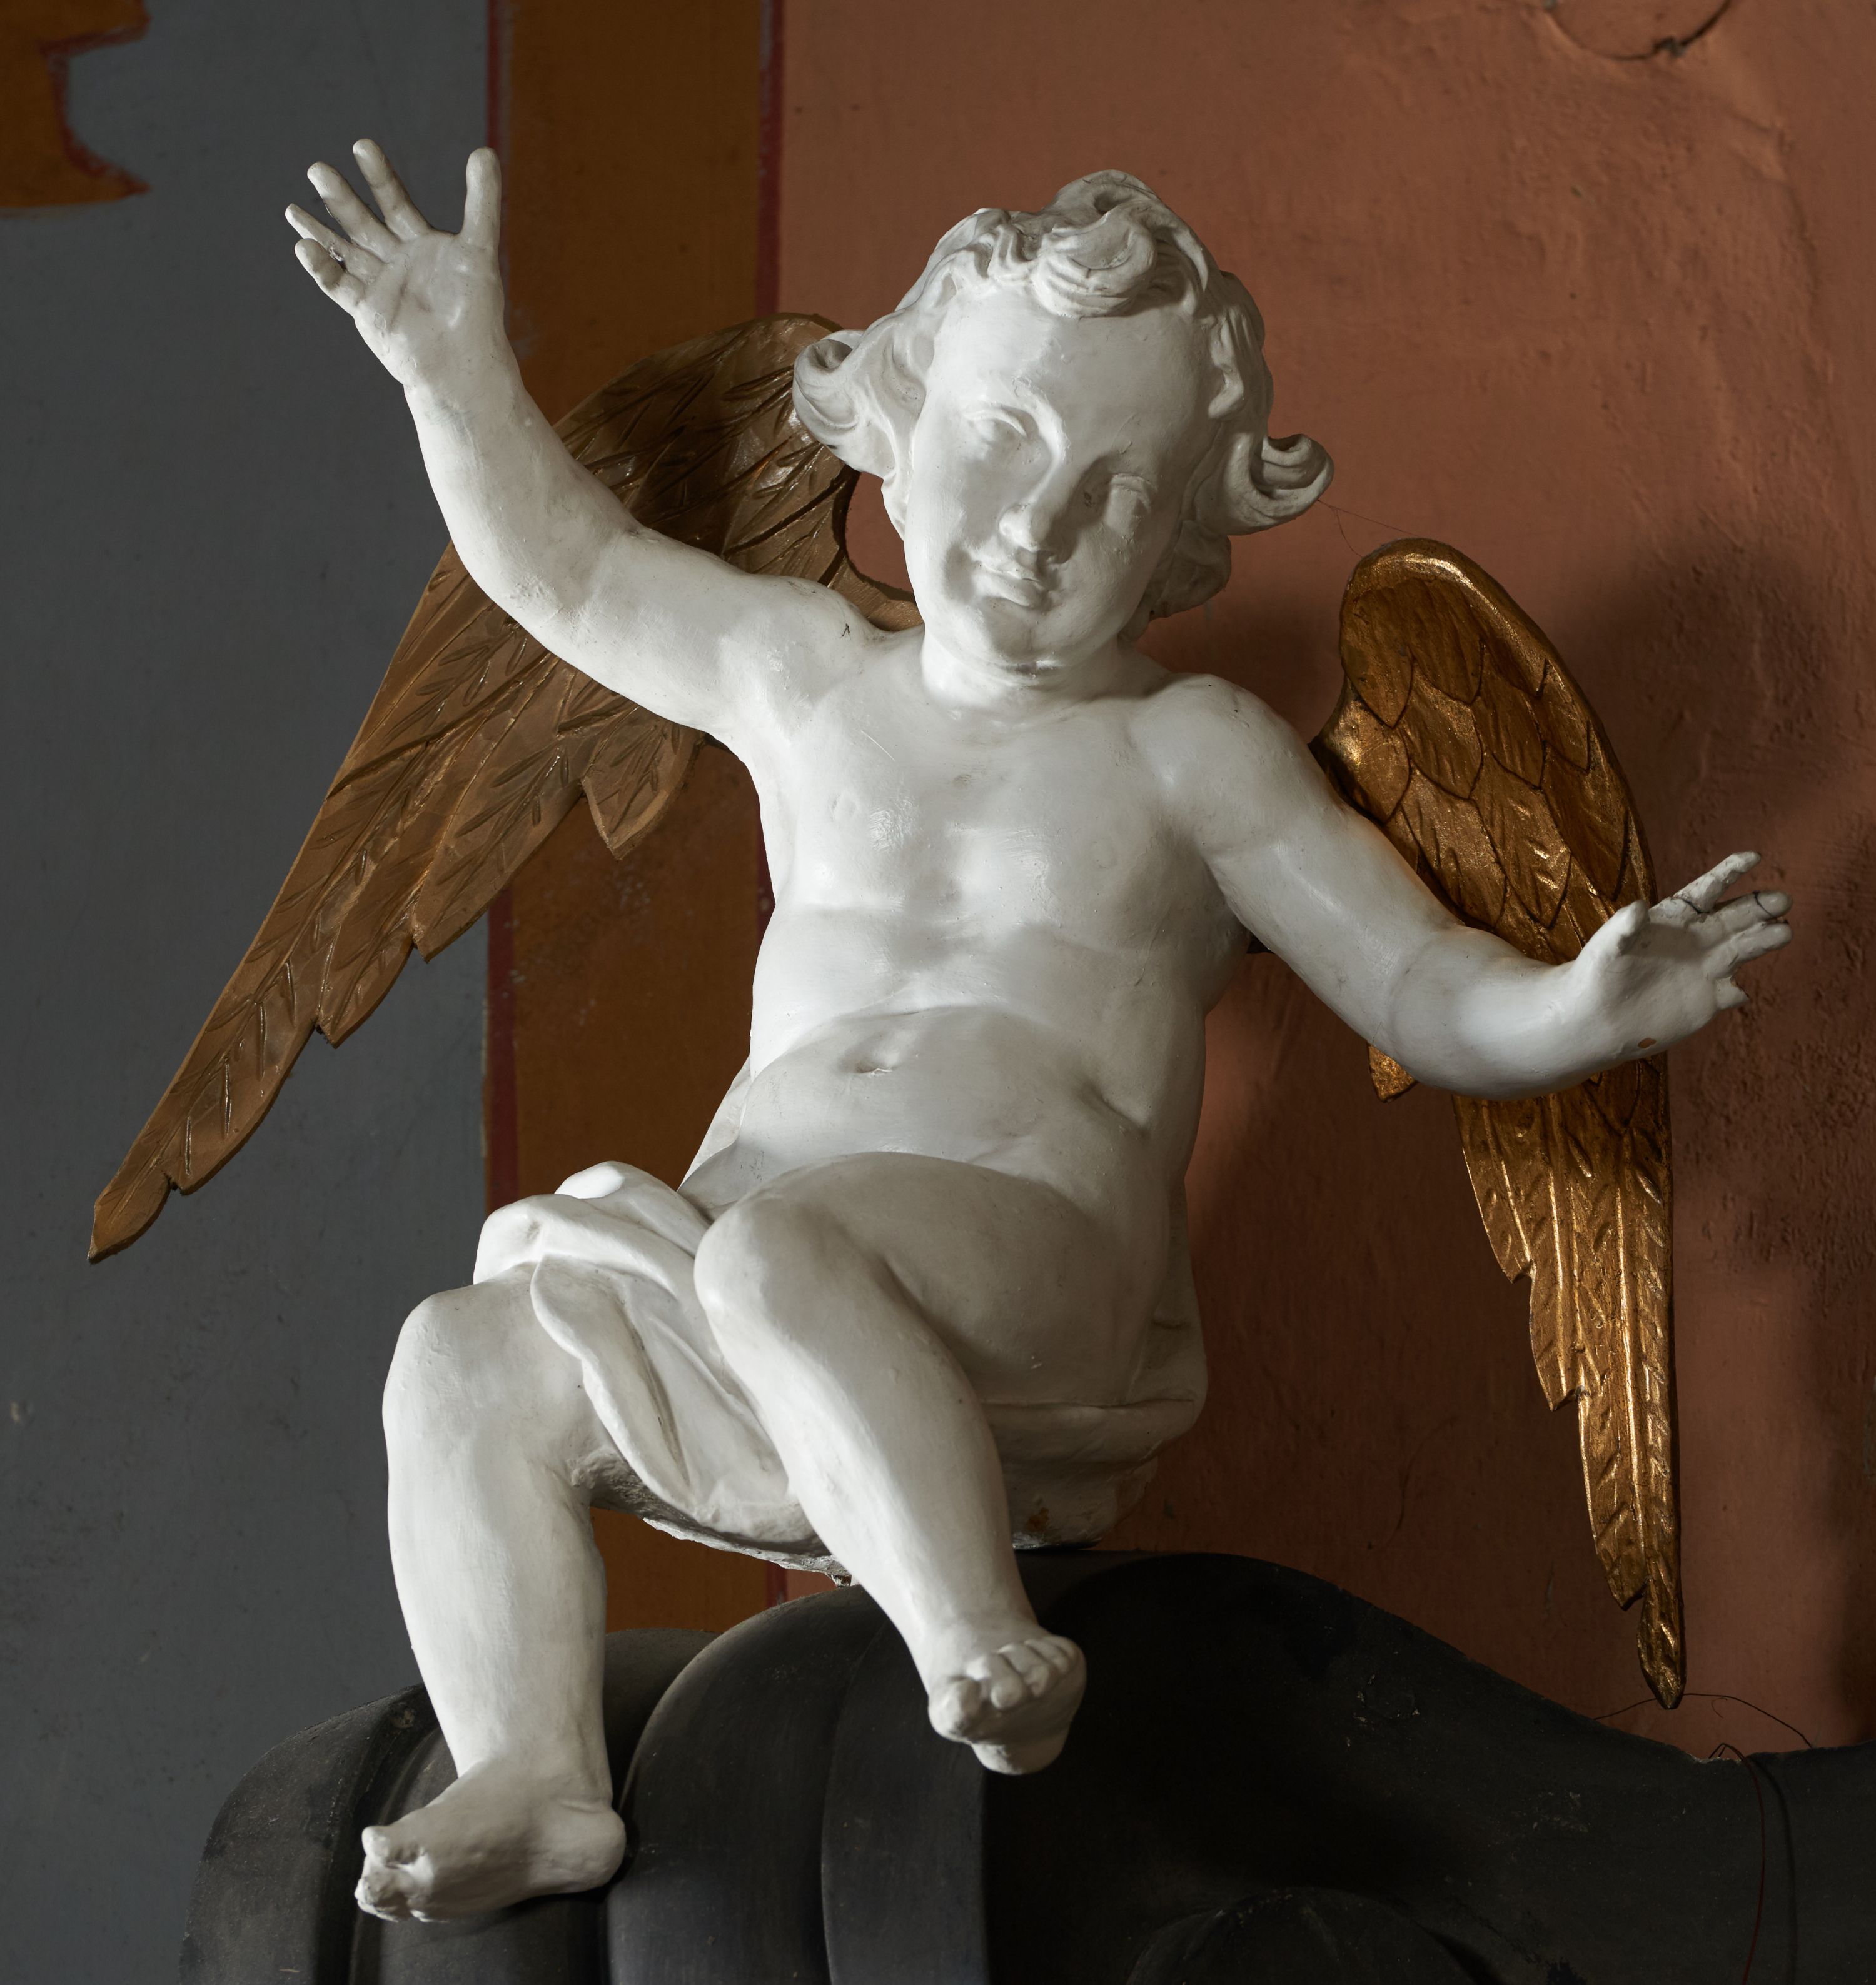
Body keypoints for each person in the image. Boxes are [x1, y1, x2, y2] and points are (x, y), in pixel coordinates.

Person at [286, 144, 1792, 1921]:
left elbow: (1408, 980)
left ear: (1181, 536)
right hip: (761, 1284)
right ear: (900, 424)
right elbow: (574, 577)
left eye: (1116, 488)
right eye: (1002, 436)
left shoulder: (1189, 755)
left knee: (784, 1255)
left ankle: (977, 1640)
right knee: (459, 1359)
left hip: (1034, 1272)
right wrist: (451, 373)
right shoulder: (808, 681)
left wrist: (1569, 1008)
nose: (1039, 520)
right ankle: (536, 1769)